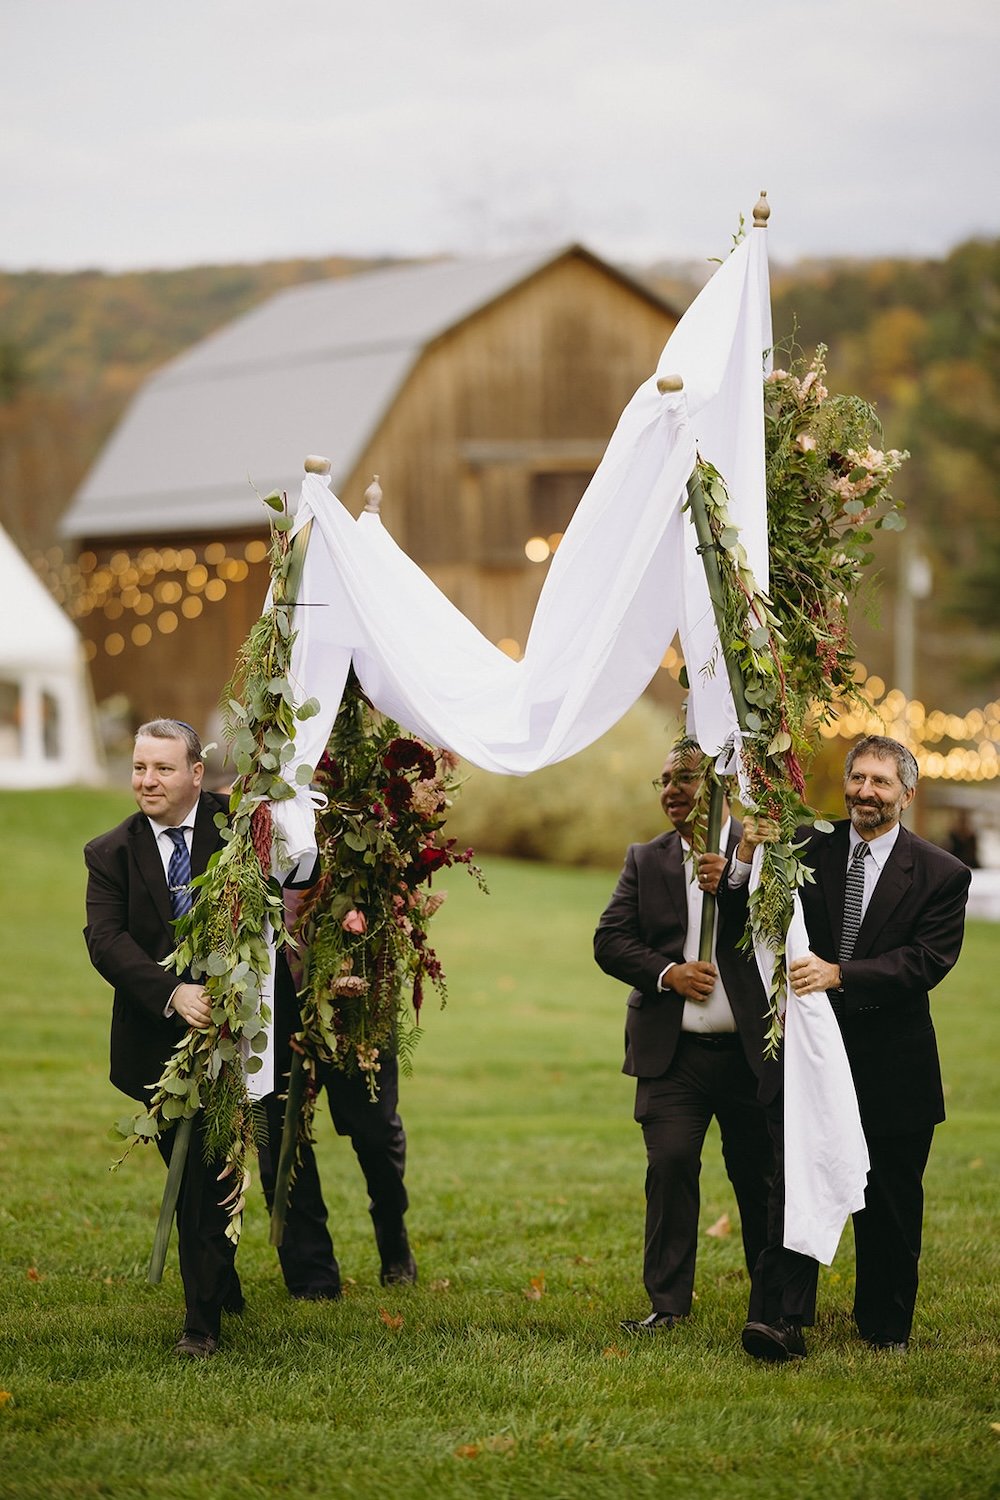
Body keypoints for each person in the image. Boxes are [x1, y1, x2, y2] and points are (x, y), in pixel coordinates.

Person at [84, 718, 340, 1360]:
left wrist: (295, 823)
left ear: (197, 773)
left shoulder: (243, 825)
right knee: (193, 1168)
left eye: (163, 769)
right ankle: (216, 1288)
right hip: (158, 1038)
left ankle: (203, 1324)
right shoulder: (109, 852)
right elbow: (106, 941)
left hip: (247, 1033)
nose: (148, 780)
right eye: (140, 768)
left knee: (224, 1165)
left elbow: (302, 871)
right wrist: (172, 993)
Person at [740, 734, 970, 1361]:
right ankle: (780, 1320)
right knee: (795, 1182)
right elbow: (754, 906)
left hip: (894, 1063)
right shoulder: (806, 845)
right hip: (813, 1055)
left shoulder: (943, 874)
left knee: (892, 1199)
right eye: (858, 779)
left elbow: (926, 961)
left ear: (908, 793)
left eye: (881, 782)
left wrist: (842, 974)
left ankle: (885, 1327)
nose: (866, 792)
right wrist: (745, 855)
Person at [593, 740, 778, 1335]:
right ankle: (668, 1306)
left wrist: (738, 878)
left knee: (758, 1176)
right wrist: (668, 973)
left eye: (687, 779)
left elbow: (788, 925)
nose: (673, 789)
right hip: (673, 1056)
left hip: (750, 1053)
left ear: (719, 787)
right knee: (670, 1167)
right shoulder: (646, 860)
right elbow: (610, 940)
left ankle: (772, 1303)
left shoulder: (758, 851)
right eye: (664, 780)